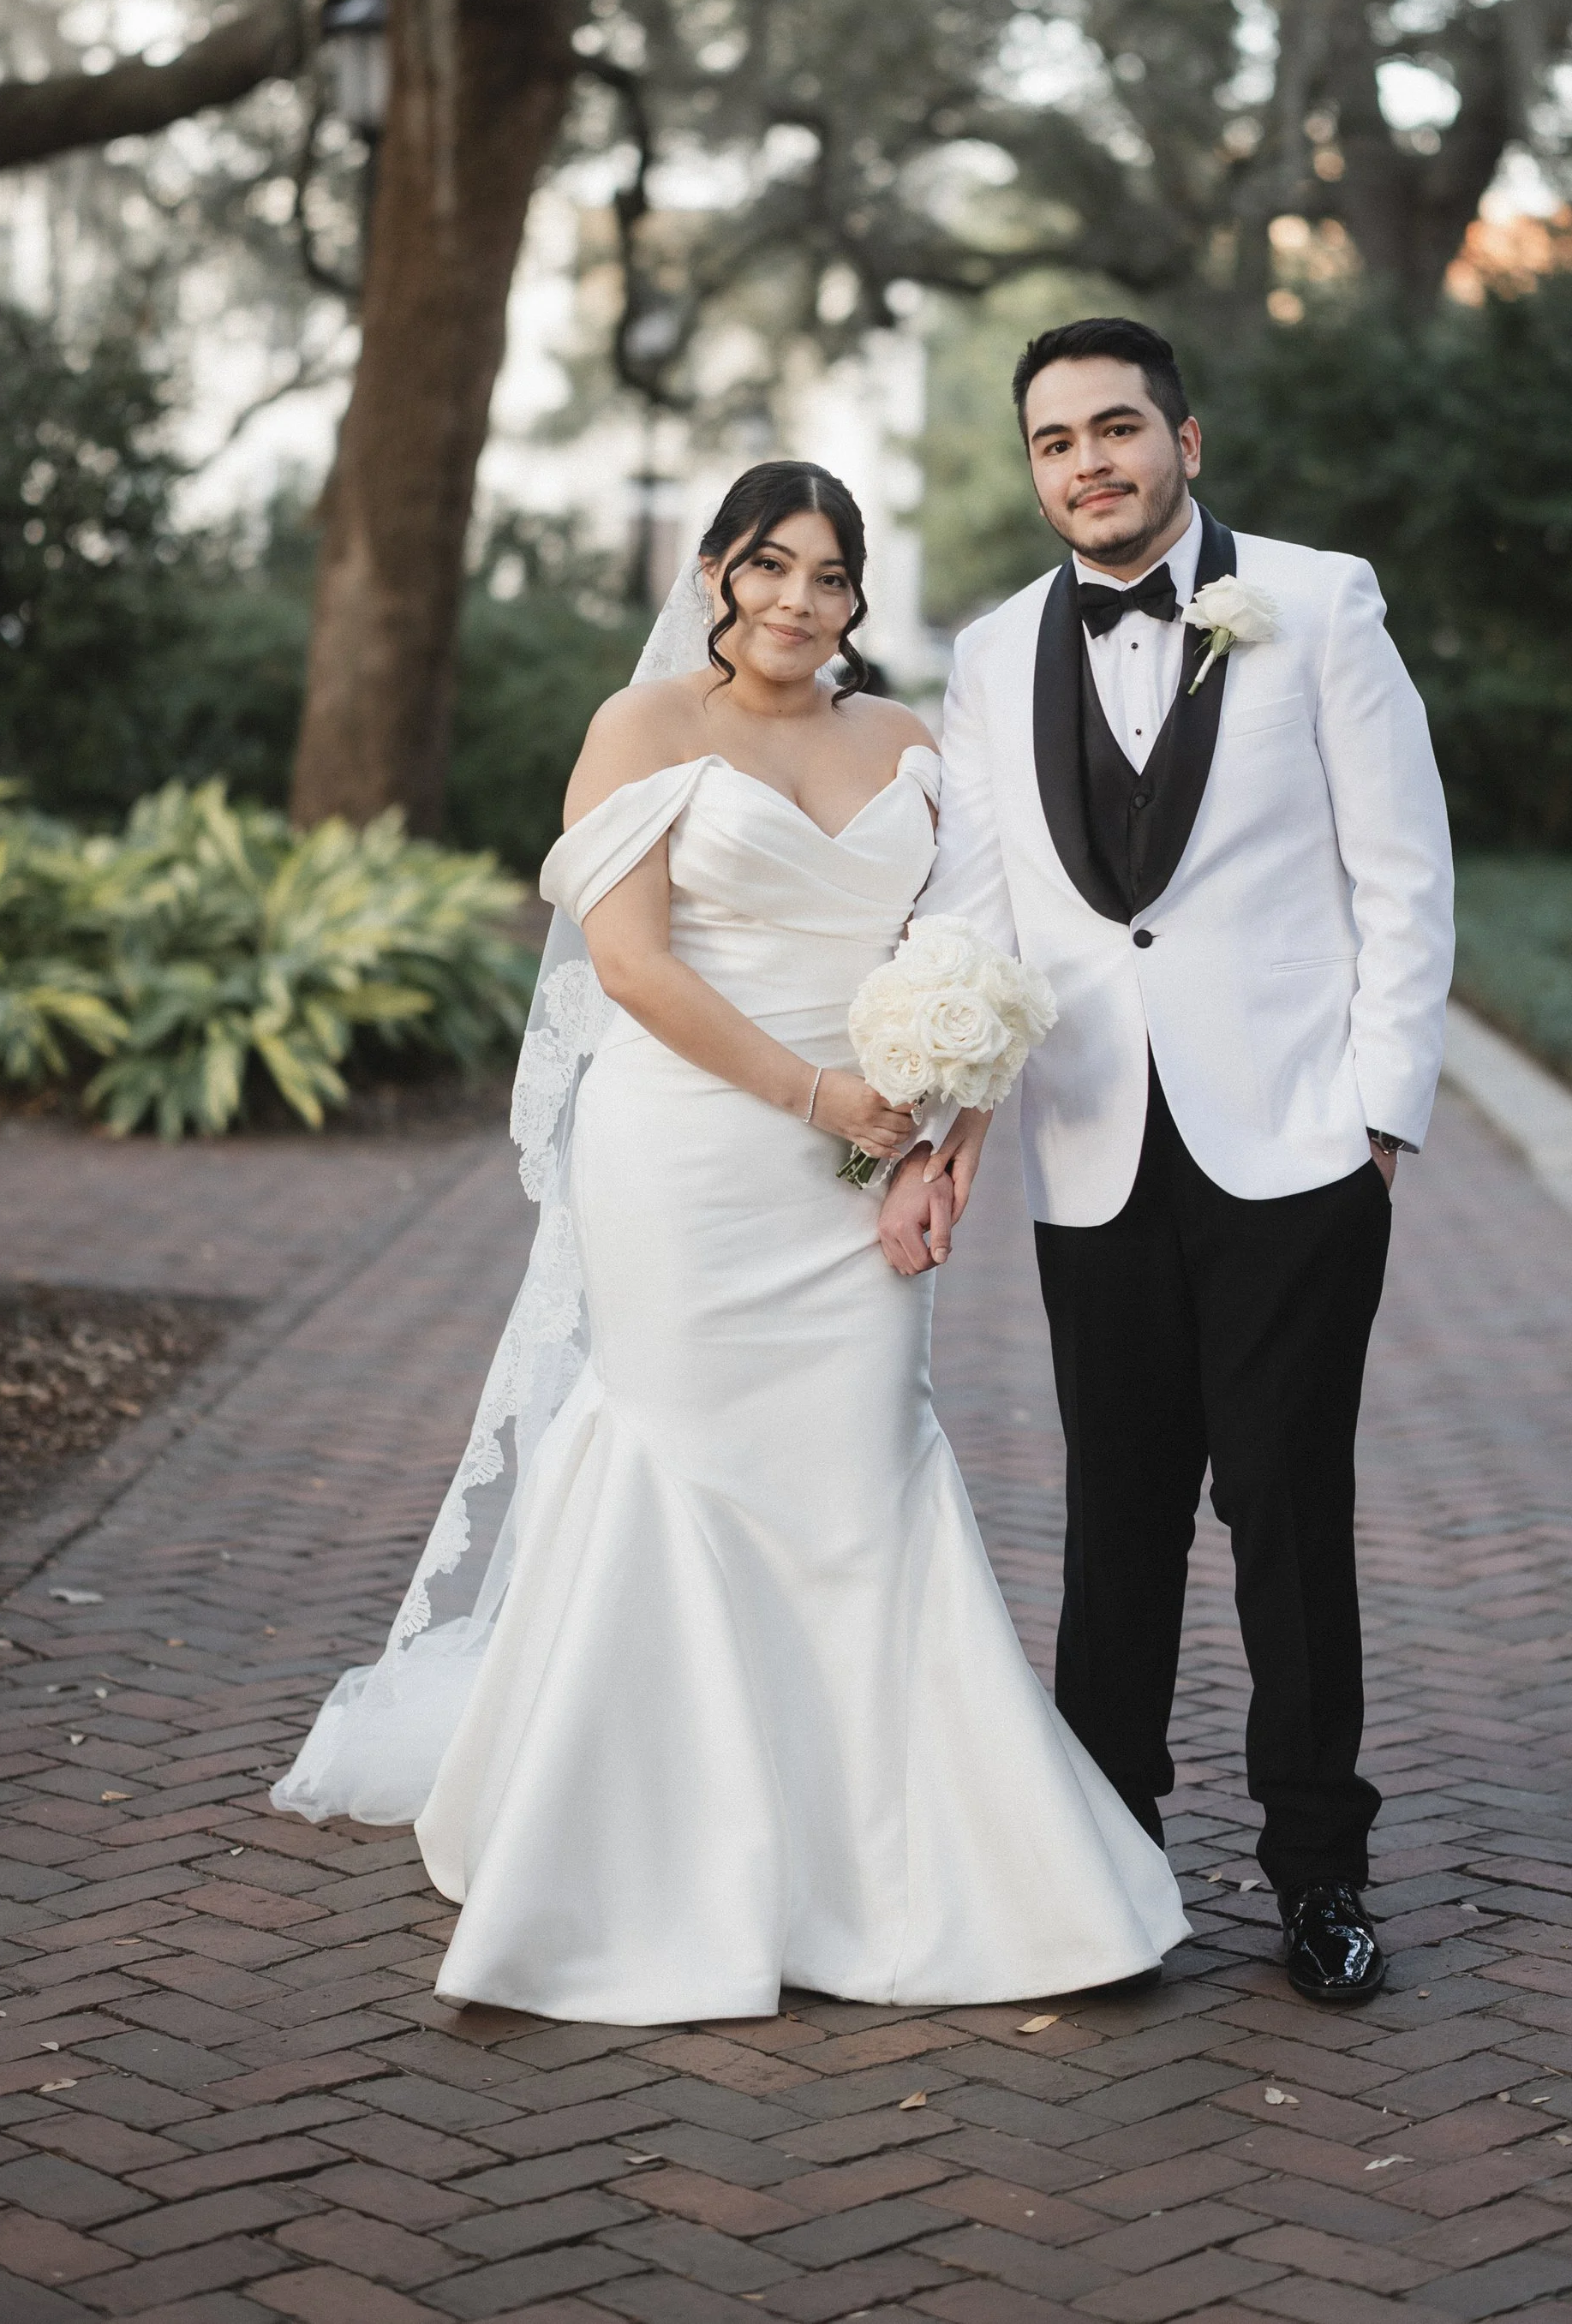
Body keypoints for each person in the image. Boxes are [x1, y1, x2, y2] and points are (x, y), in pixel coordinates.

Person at [272, 459, 1184, 2022]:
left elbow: (983, 958)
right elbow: (629, 965)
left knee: (858, 1475)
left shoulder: (908, 744)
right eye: (769, 567)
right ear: (713, 574)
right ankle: (642, 1855)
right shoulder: (644, 733)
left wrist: (940, 1145)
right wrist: (821, 1092)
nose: (798, 602)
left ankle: (899, 1867)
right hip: (691, 1157)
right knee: (684, 1463)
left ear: (856, 599)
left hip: (861, 1177)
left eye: (831, 578)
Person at [880, 320, 1453, 2008]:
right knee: (1114, 1524)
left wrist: (1378, 1115)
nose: (1087, 464)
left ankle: (1317, 1876)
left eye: (1114, 429)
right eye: (1053, 441)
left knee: (1286, 1518)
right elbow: (980, 915)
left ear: (1181, 442)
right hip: (1089, 1146)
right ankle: (1101, 1864)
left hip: (1291, 1145)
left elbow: (1401, 872)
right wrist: (941, 1131)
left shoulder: (1319, 601)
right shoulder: (988, 652)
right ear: (1035, 468)